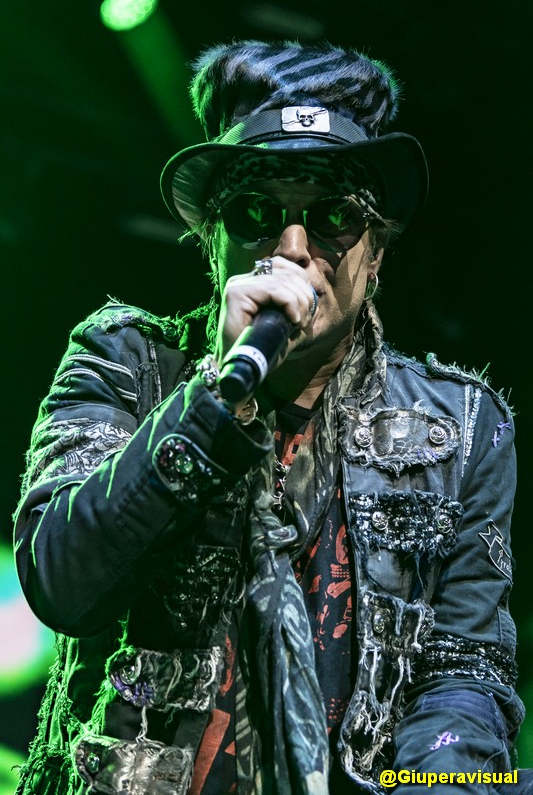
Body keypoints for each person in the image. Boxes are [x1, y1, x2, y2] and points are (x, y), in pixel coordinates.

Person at [13, 40, 526, 795]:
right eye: (255, 212)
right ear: (210, 238)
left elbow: (464, 667)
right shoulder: (124, 363)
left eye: (332, 216)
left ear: (377, 248)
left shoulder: (461, 425)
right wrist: (217, 401)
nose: (290, 248)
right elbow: (63, 582)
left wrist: (437, 780)